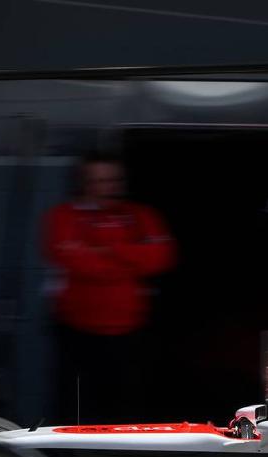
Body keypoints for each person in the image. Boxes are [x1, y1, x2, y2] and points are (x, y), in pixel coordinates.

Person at [44, 151, 175, 424]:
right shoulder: (63, 216)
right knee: (75, 406)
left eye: (113, 180)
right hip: (77, 331)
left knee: (128, 406)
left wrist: (105, 247)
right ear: (84, 183)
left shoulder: (140, 215)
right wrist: (130, 257)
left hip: (130, 332)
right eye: (99, 181)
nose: (107, 188)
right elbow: (77, 262)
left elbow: (161, 257)